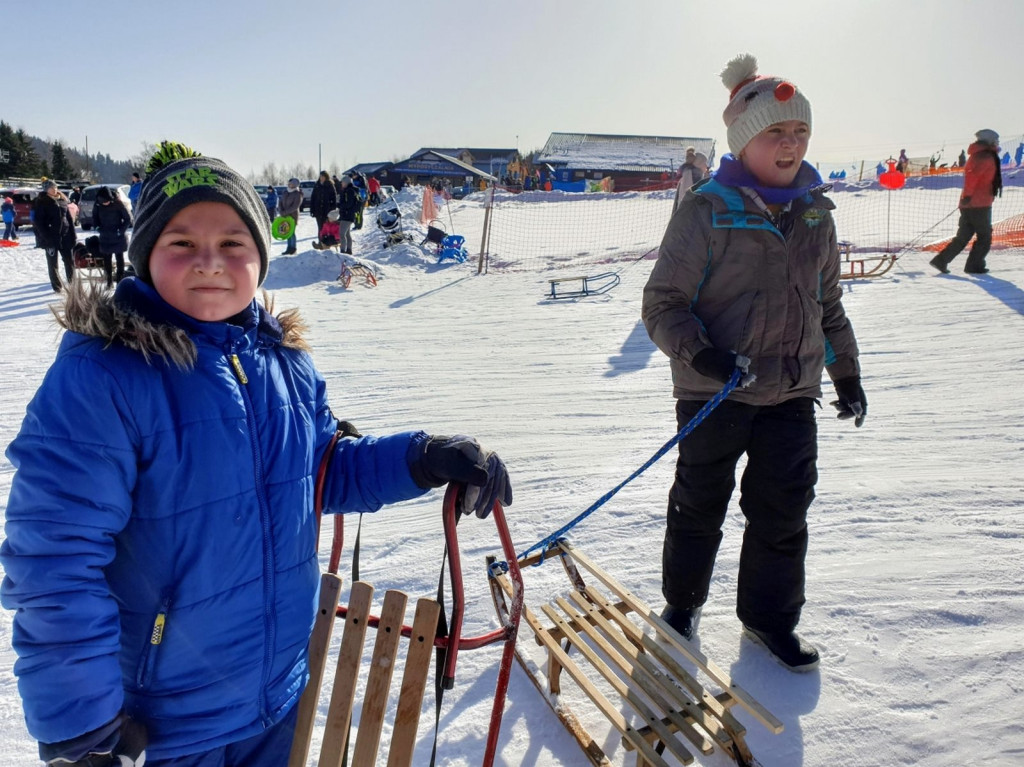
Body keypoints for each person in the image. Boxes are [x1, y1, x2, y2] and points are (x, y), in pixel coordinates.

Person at [0, 144, 513, 767]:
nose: (210, 262)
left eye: (234, 243)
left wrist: (424, 458)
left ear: (261, 256)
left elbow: (321, 470)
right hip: (159, 728)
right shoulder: (104, 378)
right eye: (181, 243)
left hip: (275, 699)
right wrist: (81, 727)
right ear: (144, 258)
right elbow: (54, 561)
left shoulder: (284, 363)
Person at [642, 53, 864, 673]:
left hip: (792, 393)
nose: (791, 144)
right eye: (776, 132)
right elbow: (662, 304)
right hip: (716, 392)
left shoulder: (815, 211)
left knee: (784, 512)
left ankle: (769, 619)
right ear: (745, 139)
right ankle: (682, 606)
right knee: (698, 503)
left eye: (800, 132)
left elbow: (828, 303)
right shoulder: (707, 210)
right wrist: (704, 356)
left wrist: (845, 370)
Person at [929, 129, 1002, 275]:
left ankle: (941, 260)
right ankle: (974, 266)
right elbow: (972, 178)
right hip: (979, 204)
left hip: (970, 202)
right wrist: (968, 195)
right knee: (984, 236)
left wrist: (966, 197)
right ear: (989, 141)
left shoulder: (978, 155)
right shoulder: (985, 157)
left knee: (963, 236)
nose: (997, 143)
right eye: (996, 140)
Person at [32, 181, 77, 292]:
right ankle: (57, 287)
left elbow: (69, 219)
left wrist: (73, 234)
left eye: (55, 187)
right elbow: (38, 222)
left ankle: (73, 284)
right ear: (46, 189)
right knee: (53, 263)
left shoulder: (62, 200)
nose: (54, 189)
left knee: (69, 261)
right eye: (51, 188)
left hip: (65, 236)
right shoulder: (41, 202)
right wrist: (46, 237)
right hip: (51, 238)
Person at [92, 185, 133, 286]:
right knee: (107, 259)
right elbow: (94, 219)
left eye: (107, 201)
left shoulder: (118, 203)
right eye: (104, 202)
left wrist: (121, 230)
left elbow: (128, 219)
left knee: (119, 258)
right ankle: (109, 280)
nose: (106, 203)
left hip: (118, 235)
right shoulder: (97, 205)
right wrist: (98, 228)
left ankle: (120, 279)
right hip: (105, 235)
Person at [310, 170, 336, 246]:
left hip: (327, 210)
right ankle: (320, 242)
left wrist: (332, 211)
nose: (321, 178)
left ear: (326, 177)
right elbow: (313, 198)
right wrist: (312, 209)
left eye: (323, 176)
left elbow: (333, 199)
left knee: (326, 227)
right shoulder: (317, 185)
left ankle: (326, 243)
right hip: (318, 210)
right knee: (320, 227)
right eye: (320, 176)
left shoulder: (330, 185)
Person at [278, 177, 303, 255]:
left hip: (292, 216)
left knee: (291, 232)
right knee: (287, 231)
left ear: (295, 185)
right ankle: (288, 248)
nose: (289, 185)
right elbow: (280, 202)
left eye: (291, 183)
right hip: (284, 215)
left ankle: (293, 248)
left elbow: (295, 206)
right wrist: (281, 211)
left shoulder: (297, 194)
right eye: (289, 183)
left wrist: (285, 212)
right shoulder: (285, 192)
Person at [337, 175, 359, 254]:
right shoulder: (349, 190)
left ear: (346, 183)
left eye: (342, 182)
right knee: (347, 234)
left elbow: (349, 204)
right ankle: (349, 250)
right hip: (348, 215)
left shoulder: (349, 191)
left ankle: (343, 250)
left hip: (347, 215)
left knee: (342, 234)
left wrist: (340, 205)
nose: (341, 184)